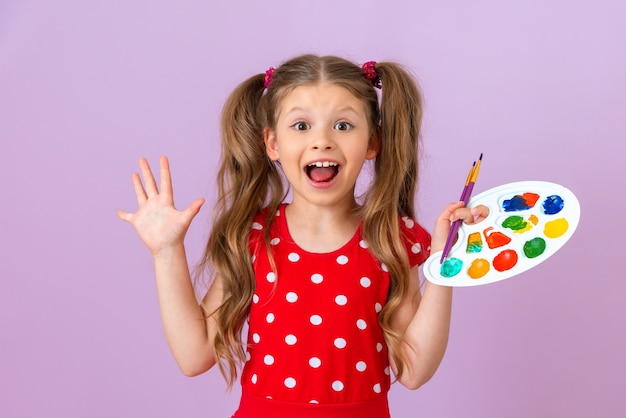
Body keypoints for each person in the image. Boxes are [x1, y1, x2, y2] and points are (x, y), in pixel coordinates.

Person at [118, 54, 487, 418]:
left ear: (372, 142)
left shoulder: (391, 239)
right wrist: (166, 251)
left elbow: (414, 371)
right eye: (301, 126)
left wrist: (445, 261)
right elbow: (194, 355)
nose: (322, 141)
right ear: (272, 143)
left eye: (343, 126)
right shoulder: (254, 236)